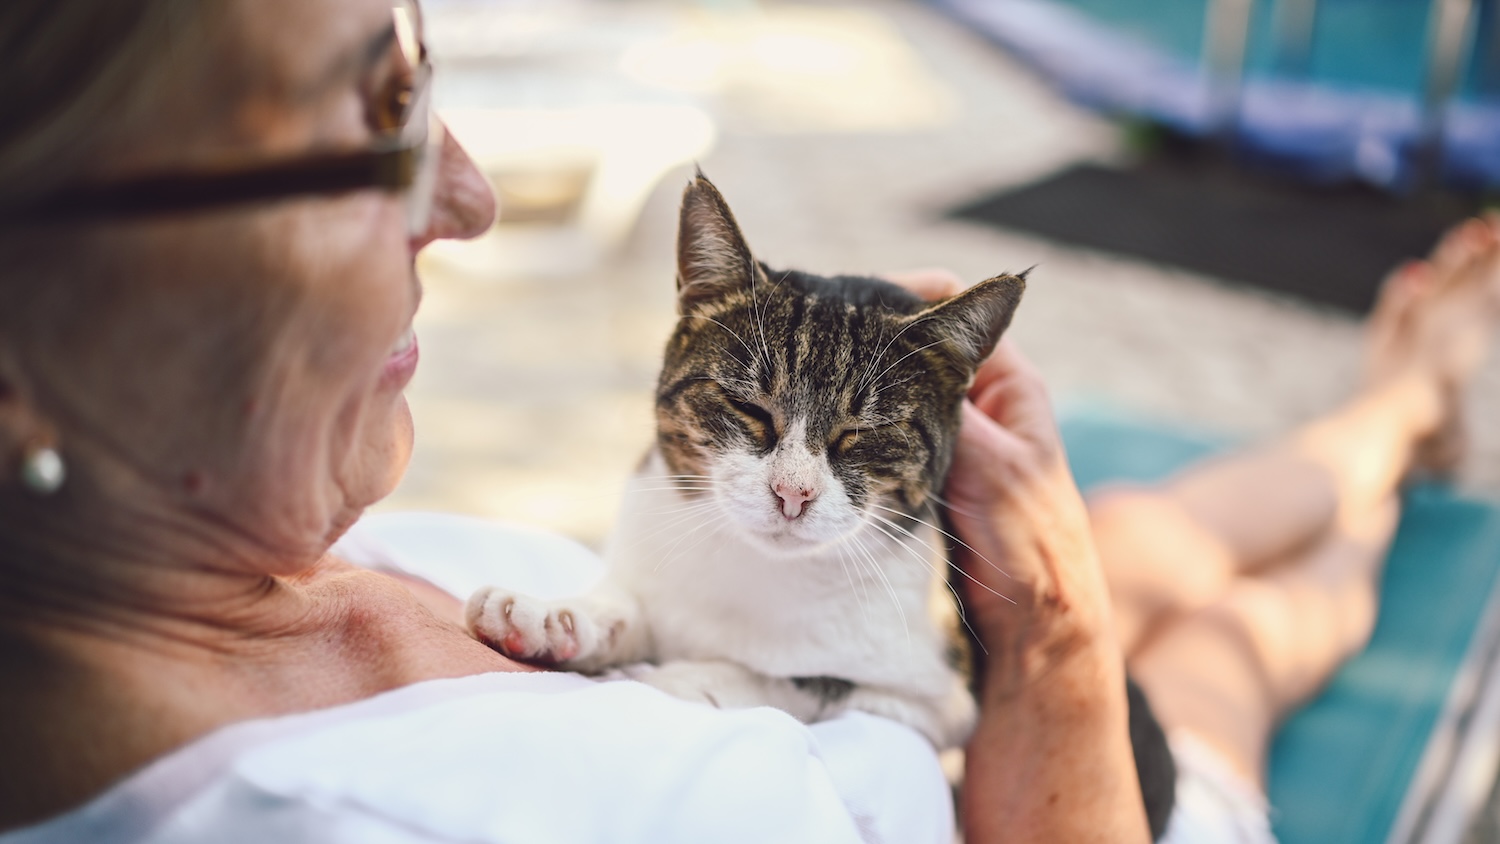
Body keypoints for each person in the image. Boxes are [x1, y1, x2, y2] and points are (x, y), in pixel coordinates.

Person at [0, 1, 1495, 842]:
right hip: (1107, 798)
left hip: (933, 667)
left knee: (1152, 543)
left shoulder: (224, 523)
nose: (472, 197)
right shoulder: (325, 813)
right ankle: (1401, 435)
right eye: (371, 123)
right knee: (1242, 653)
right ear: (29, 346)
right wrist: (1053, 630)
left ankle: (1383, 412)